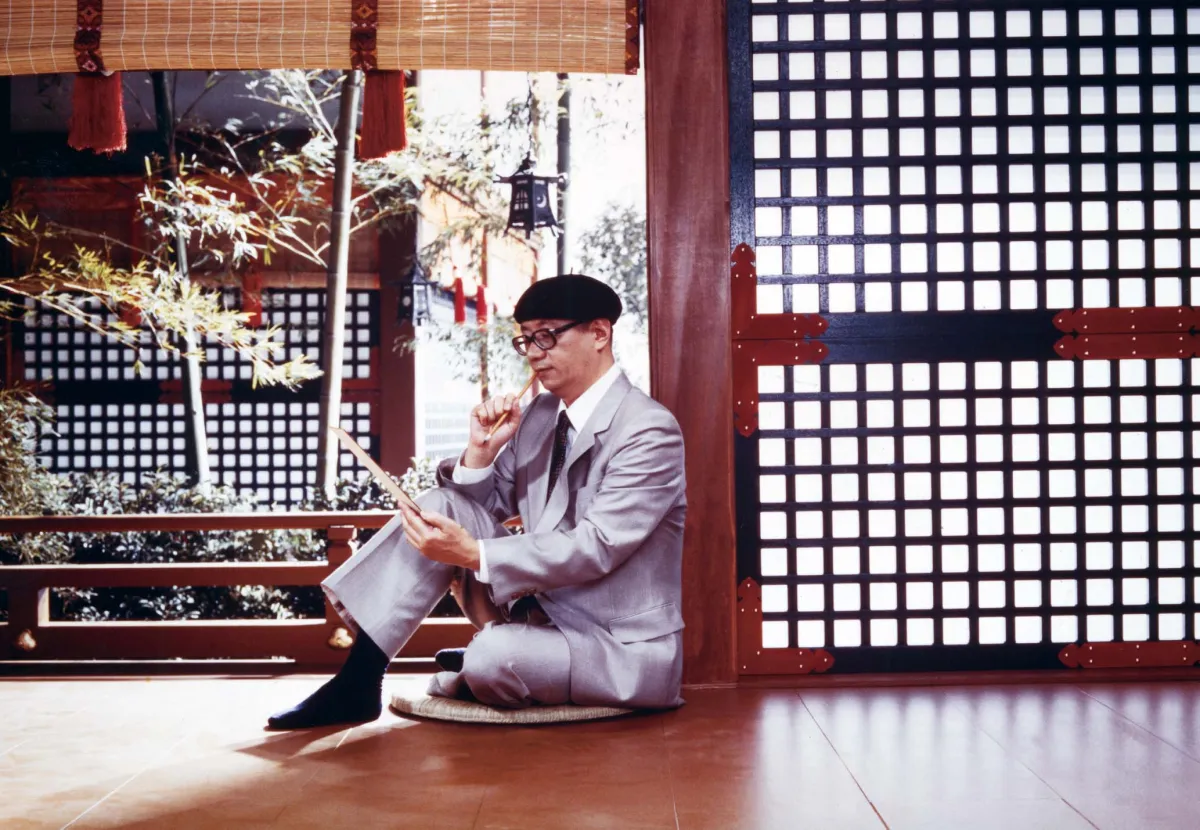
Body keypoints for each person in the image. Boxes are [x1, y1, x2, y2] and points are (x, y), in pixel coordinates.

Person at [267, 274, 687, 730]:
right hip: (536, 606)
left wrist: (473, 554)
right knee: (436, 506)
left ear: (600, 333)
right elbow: (474, 506)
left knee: (493, 657)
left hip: (611, 644)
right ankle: (359, 679)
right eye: (524, 339)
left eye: (546, 335)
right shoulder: (543, 415)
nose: (532, 352)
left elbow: (599, 545)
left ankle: (482, 662)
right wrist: (481, 454)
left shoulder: (647, 429)